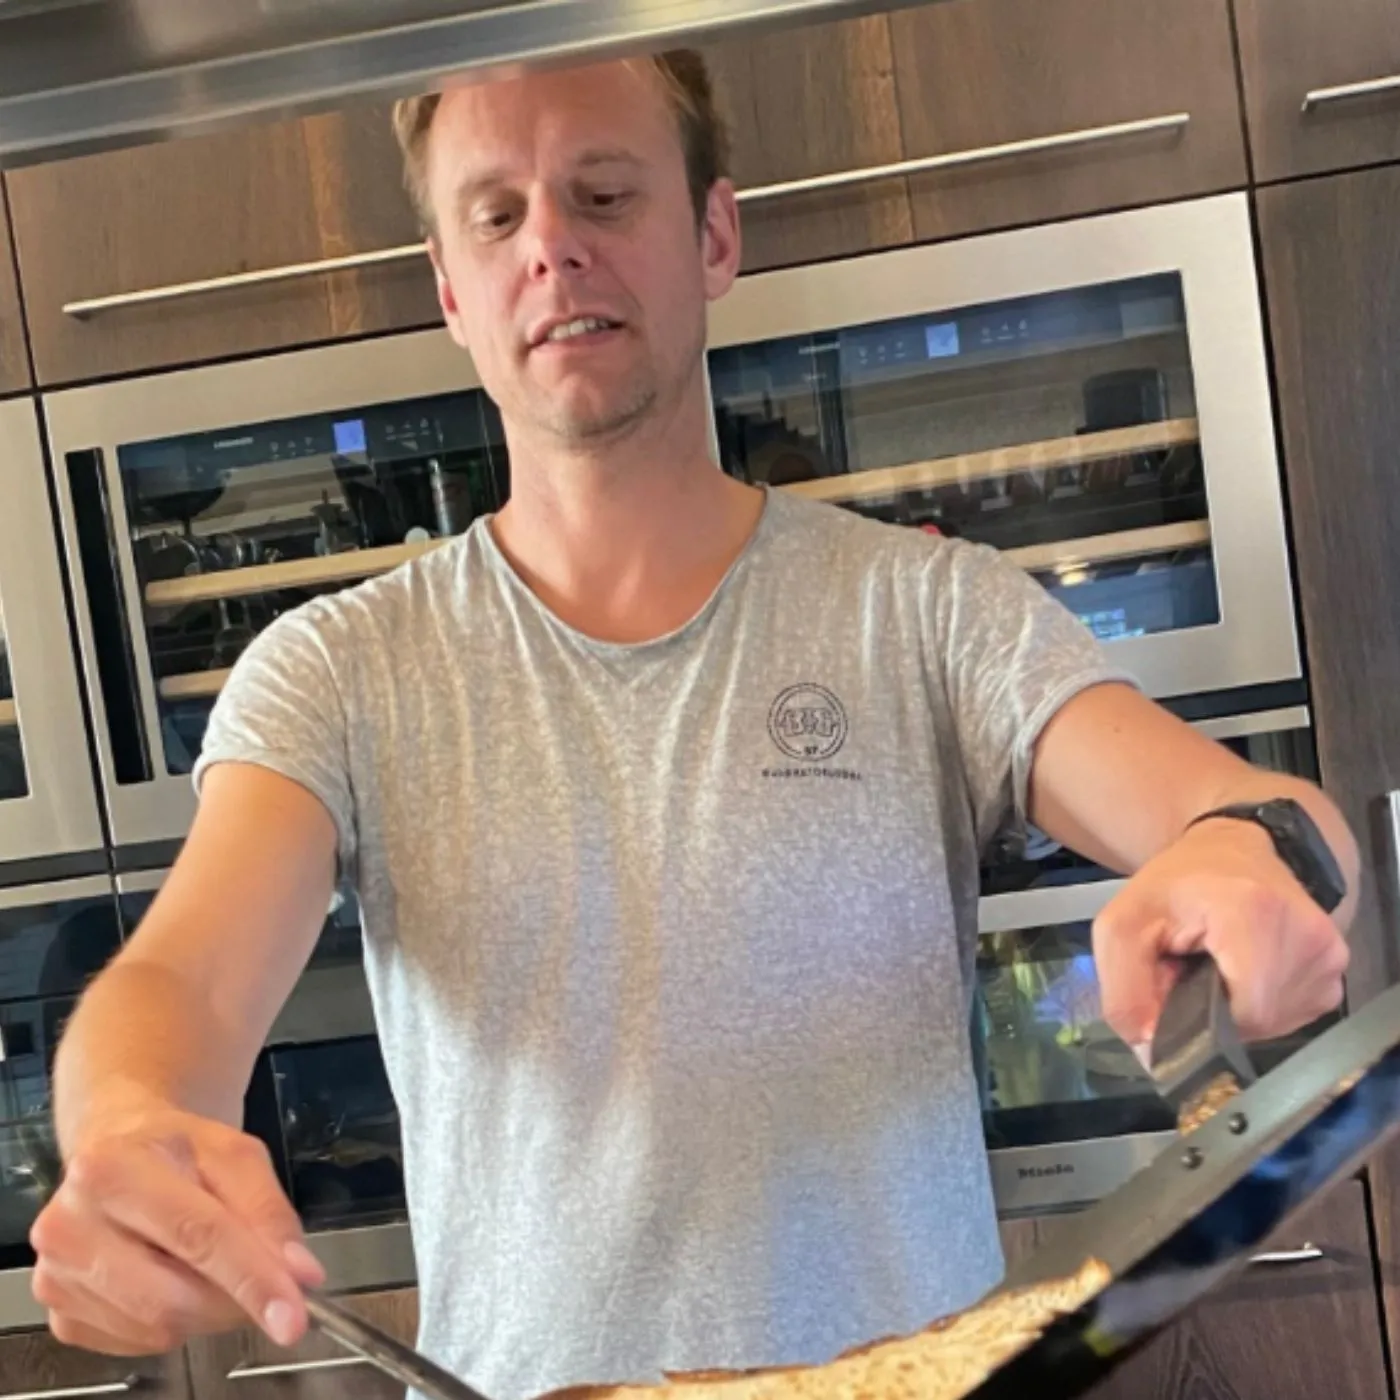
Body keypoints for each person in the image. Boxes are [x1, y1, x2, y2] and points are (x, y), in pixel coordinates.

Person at [30, 47, 1356, 1400]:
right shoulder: (336, 670)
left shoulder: (927, 609)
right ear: (452, 290)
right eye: (496, 214)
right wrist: (124, 1122)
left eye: (604, 195)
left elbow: (1260, 816)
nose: (551, 247)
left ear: (714, 234)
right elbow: (181, 984)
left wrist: (1243, 857)